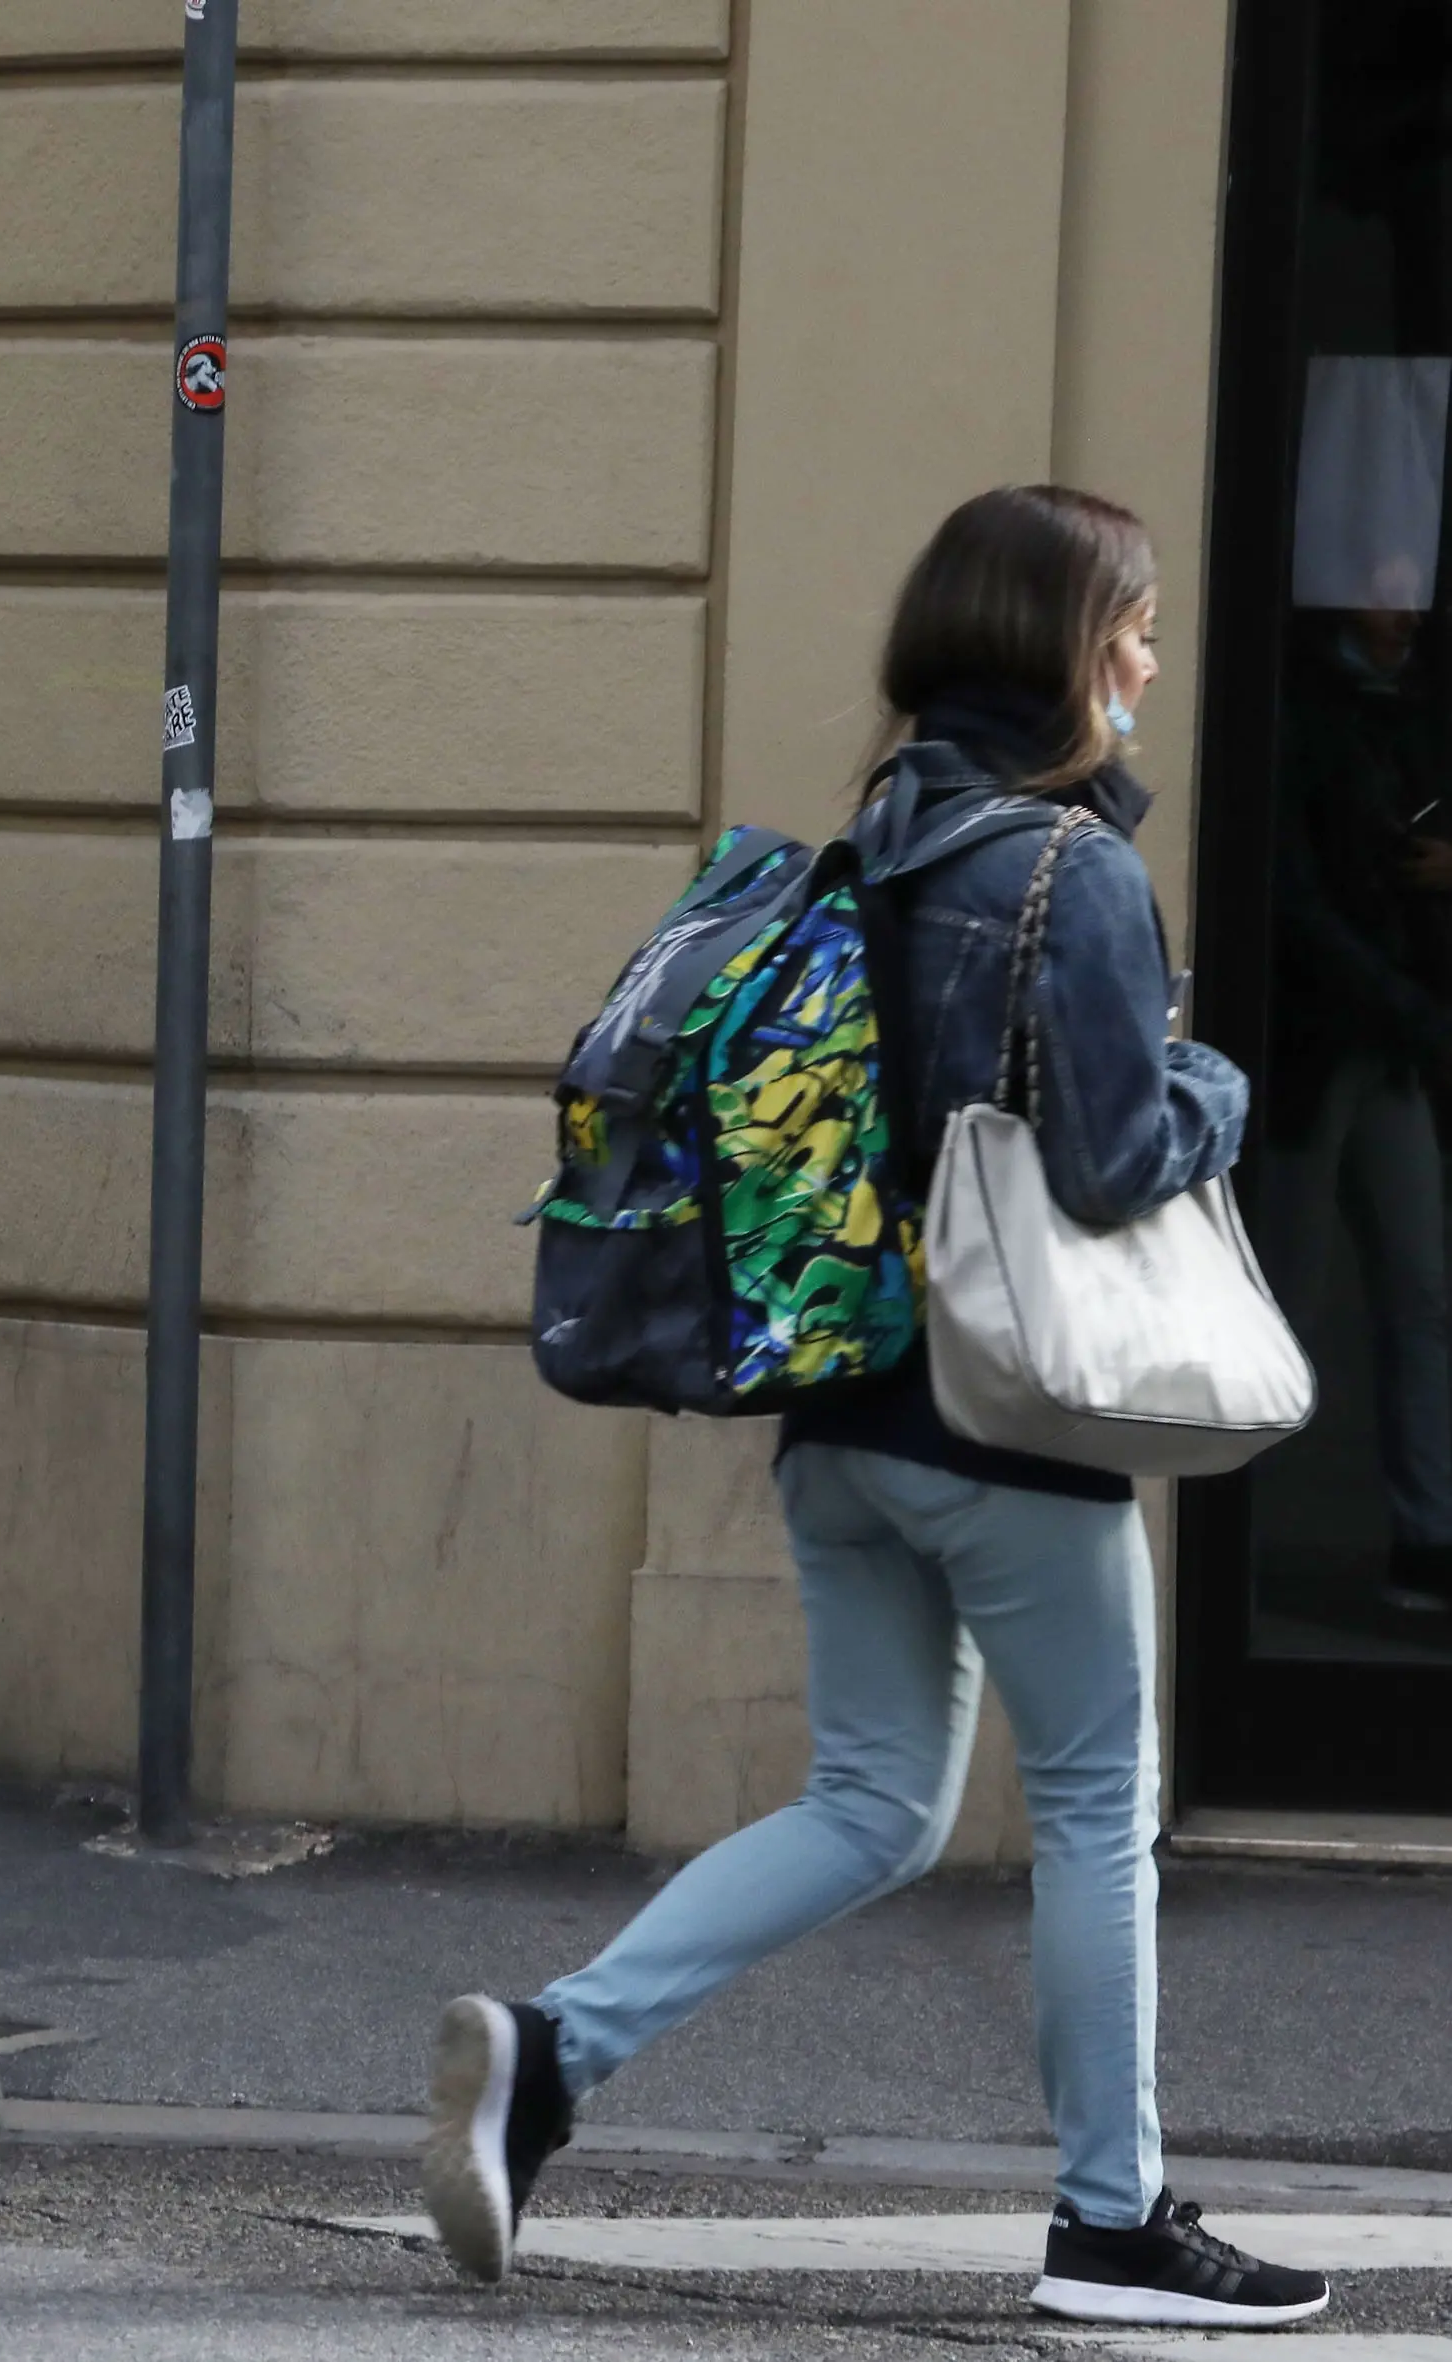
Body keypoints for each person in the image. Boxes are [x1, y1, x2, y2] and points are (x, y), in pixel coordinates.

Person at [423, 486, 1332, 2330]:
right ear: (1060, 647)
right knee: (1092, 1803)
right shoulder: (1064, 869)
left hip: (840, 1413)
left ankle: (550, 2049)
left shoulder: (873, 840)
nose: (1148, 660)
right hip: (1014, 1423)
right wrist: (1212, 1085)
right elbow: (1106, 1158)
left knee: (868, 1802)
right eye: (1130, 629)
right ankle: (1110, 2220)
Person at [1262, 562, 1452, 1613]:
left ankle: (1427, 1539)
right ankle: (1233, 1527)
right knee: (1289, 1293)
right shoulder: (1311, 712)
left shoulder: (1406, 708)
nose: (1408, 611)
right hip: (1328, 1038)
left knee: (1420, 1296)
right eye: (1385, 584)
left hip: (1384, 1039)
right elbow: (1293, 899)